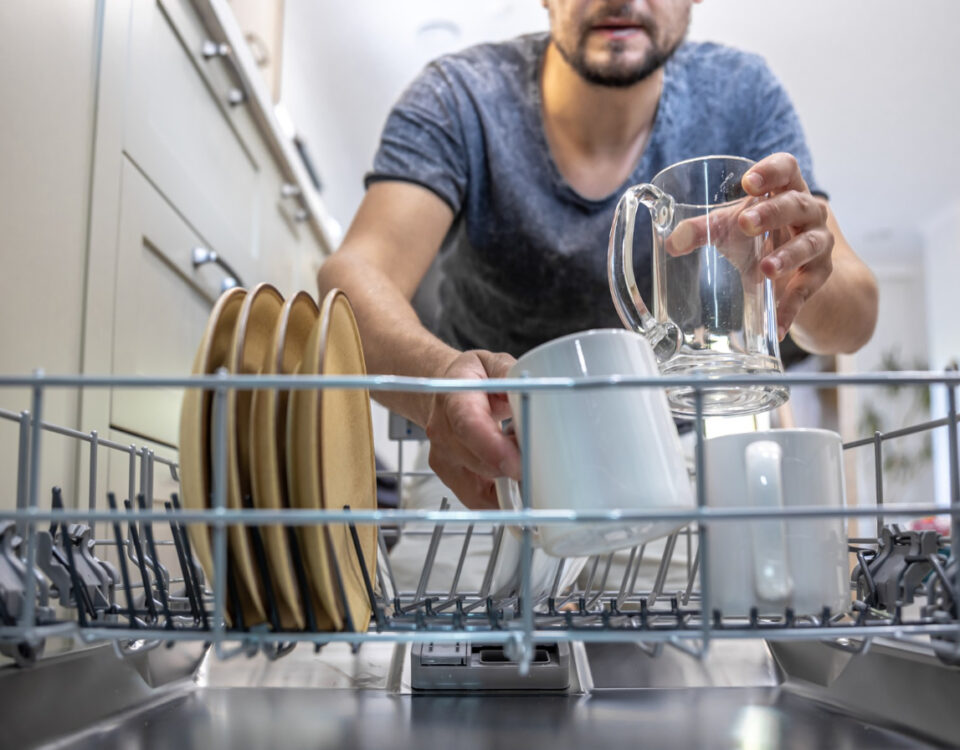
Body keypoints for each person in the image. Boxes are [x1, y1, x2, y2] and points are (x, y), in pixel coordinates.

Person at [317, 0, 878, 513]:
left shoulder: (744, 95)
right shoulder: (459, 95)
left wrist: (798, 272)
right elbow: (354, 274)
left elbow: (854, 319)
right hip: (480, 464)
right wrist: (440, 383)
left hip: (665, 464)